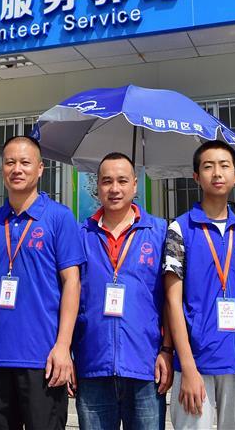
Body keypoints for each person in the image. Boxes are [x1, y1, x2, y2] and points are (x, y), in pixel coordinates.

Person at [0, 135, 85, 430]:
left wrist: (63, 346)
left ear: (40, 169)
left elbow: (72, 282)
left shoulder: (59, 218)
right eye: (9, 162)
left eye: (25, 162)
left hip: (42, 359)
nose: (16, 169)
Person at [162, 139, 235, 430]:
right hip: (198, 362)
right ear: (196, 177)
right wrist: (188, 367)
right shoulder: (180, 228)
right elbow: (172, 302)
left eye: (224, 166)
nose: (217, 173)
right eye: (208, 167)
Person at [73, 152, 173, 430]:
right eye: (106, 181)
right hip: (92, 365)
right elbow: (67, 298)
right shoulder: (80, 234)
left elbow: (170, 299)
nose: (114, 189)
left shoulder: (159, 231)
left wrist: (167, 350)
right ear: (97, 187)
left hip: (145, 365)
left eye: (122, 180)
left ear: (135, 185)